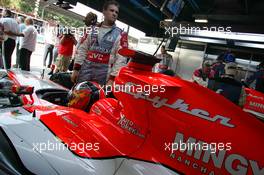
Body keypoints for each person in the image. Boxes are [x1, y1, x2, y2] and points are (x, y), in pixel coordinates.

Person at [71, 0, 128, 85]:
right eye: (111, 10)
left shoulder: (121, 34)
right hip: (84, 74)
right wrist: (76, 69)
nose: (114, 14)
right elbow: (82, 50)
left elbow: (121, 59)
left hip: (104, 78)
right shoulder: (91, 30)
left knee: (99, 98)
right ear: (104, 11)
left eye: (116, 12)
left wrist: (112, 78)